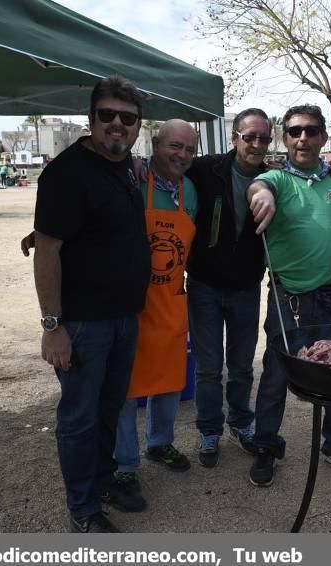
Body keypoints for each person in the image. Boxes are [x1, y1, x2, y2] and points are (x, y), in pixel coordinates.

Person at [32, 75, 151, 533]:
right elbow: (48, 250)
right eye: (108, 116)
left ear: (138, 125)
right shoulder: (66, 172)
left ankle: (102, 481)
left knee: (108, 407)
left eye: (128, 118)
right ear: (91, 118)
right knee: (79, 417)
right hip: (82, 323)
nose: (117, 125)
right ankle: (82, 507)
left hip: (123, 316)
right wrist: (52, 325)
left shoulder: (122, 167)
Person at [246, 104, 331, 487]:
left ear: (323, 137)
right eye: (295, 131)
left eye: (312, 131)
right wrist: (261, 194)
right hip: (289, 298)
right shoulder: (276, 180)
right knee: (277, 374)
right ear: (285, 137)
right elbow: (258, 186)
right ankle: (265, 445)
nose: (303, 138)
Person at [184, 109, 271, 468]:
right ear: (235, 137)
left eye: (263, 138)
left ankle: (240, 423)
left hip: (246, 286)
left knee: (241, 366)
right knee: (207, 367)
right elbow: (165, 175)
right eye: (248, 136)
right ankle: (209, 430)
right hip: (204, 284)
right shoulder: (207, 169)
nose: (255, 144)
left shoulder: (274, 178)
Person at [115, 120, 198, 487]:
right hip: (129, 303)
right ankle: (124, 464)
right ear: (155, 143)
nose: (181, 155)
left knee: (168, 383)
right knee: (124, 388)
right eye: (174, 146)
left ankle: (160, 443)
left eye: (189, 150)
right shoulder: (131, 178)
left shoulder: (191, 190)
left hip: (169, 301)